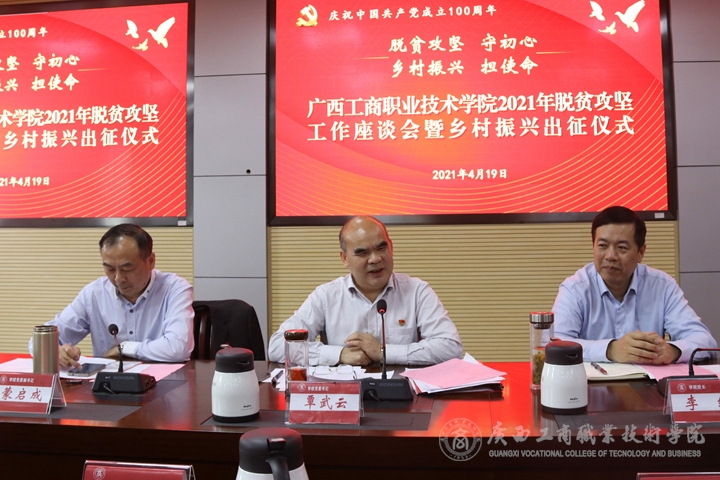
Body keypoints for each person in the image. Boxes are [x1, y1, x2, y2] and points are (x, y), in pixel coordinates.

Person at [268, 216, 463, 366]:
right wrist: (338, 354)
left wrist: (383, 352)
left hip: (403, 395)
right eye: (362, 253)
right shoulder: (326, 296)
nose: (375, 259)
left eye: (381, 248)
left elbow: (450, 347)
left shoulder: (417, 291)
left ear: (391, 248)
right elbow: (278, 345)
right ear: (344, 258)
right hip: (345, 396)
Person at [553, 206, 716, 364]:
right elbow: (554, 345)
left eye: (622, 248)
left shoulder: (662, 286)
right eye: (602, 246)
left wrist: (673, 351)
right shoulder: (575, 289)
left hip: (648, 381)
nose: (610, 256)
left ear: (641, 253)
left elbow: (705, 341)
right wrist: (610, 350)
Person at [29, 224, 194, 367]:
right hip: (107, 387)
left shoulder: (174, 289)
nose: (118, 278)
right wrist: (55, 351)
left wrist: (124, 348)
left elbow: (178, 348)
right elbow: (39, 342)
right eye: (110, 269)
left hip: (164, 385)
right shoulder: (94, 293)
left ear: (150, 261)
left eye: (127, 269)